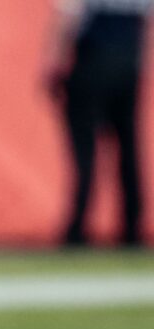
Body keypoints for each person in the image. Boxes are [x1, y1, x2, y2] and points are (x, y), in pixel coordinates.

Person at [44, 0, 152, 247]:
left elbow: (67, 16)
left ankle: (78, 227)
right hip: (129, 63)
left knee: (85, 149)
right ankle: (132, 227)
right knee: (128, 148)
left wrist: (53, 65)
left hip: (92, 61)